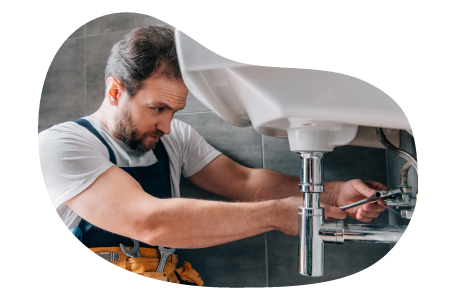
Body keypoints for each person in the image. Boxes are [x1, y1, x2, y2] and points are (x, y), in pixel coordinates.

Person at [38, 26, 389, 279]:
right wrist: (276, 215)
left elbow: (246, 182)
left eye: (175, 112)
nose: (167, 127)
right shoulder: (61, 145)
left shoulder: (173, 138)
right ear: (115, 91)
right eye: (158, 108)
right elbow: (150, 222)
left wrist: (334, 191)